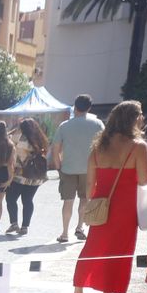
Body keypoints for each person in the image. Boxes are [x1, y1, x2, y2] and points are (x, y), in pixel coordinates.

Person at [68, 100, 147, 293]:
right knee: (118, 252)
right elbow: (145, 180)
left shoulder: (99, 146)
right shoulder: (138, 146)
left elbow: (89, 184)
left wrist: (92, 203)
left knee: (92, 248)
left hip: (100, 205)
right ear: (132, 119)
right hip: (125, 208)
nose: (142, 117)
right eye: (140, 114)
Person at [50, 94, 104, 244]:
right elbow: (103, 147)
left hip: (68, 168)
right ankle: (80, 227)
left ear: (75, 106)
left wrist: (58, 166)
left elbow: (56, 149)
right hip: (89, 169)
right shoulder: (98, 124)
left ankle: (65, 232)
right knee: (84, 199)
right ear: (89, 108)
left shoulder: (64, 126)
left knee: (68, 201)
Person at [5, 118, 50, 236]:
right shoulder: (41, 139)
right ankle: (25, 226)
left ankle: (14, 223)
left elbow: (8, 143)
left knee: (10, 198)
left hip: (19, 175)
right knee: (28, 200)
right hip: (35, 176)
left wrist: (11, 132)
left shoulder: (20, 138)